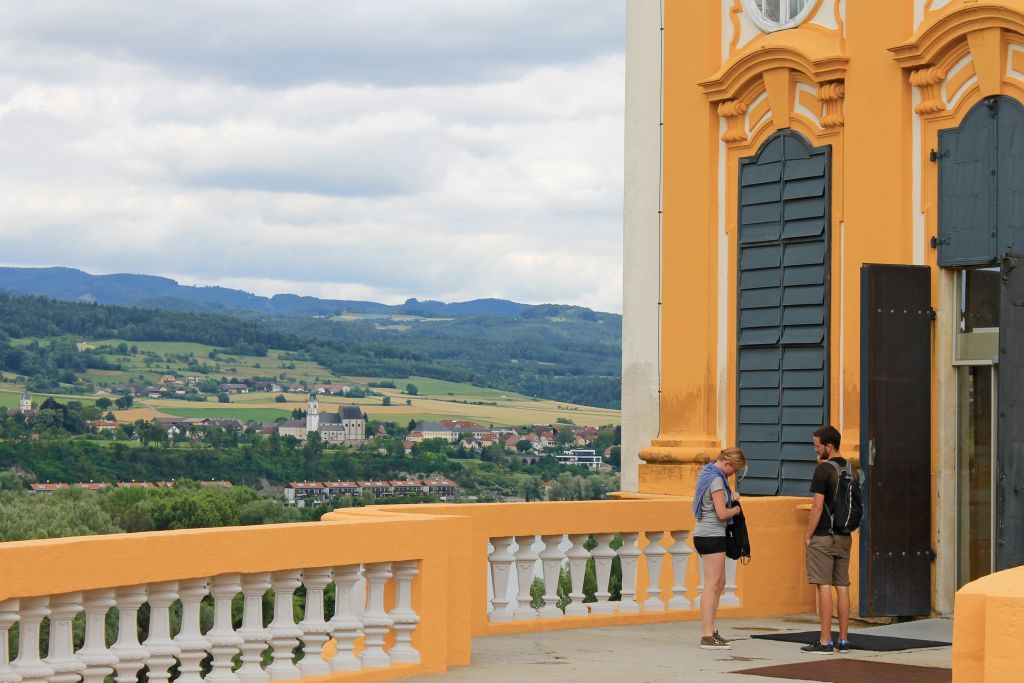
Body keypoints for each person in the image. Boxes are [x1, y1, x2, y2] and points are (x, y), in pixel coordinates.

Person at [801, 425, 853, 655]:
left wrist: (808, 534)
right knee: (842, 586)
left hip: (824, 535)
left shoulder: (823, 471)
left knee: (824, 586)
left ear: (828, 446)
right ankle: (843, 640)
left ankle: (825, 641)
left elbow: (817, 506)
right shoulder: (852, 469)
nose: (815, 451)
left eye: (817, 446)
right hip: (844, 536)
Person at [691, 447, 746, 650]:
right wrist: (736, 508)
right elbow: (722, 513)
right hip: (710, 534)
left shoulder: (710, 474)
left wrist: (730, 494)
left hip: (710, 534)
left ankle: (712, 631)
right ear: (728, 464)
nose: (735, 474)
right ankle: (707, 634)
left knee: (719, 583)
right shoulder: (715, 480)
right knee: (711, 585)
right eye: (735, 469)